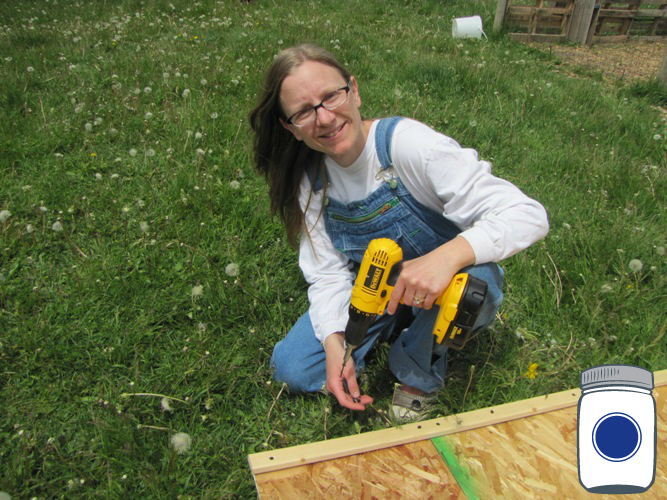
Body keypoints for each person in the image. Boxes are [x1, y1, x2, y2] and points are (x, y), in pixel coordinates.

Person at [249, 44, 549, 421]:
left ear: (354, 91)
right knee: (291, 368)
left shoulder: (406, 146)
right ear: (289, 127)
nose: (324, 118)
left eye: (331, 97)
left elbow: (528, 213)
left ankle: (417, 372)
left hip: (448, 284)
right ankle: (390, 328)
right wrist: (335, 343)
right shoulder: (311, 180)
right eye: (305, 111)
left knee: (477, 285)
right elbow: (326, 273)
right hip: (378, 289)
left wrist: (447, 256)